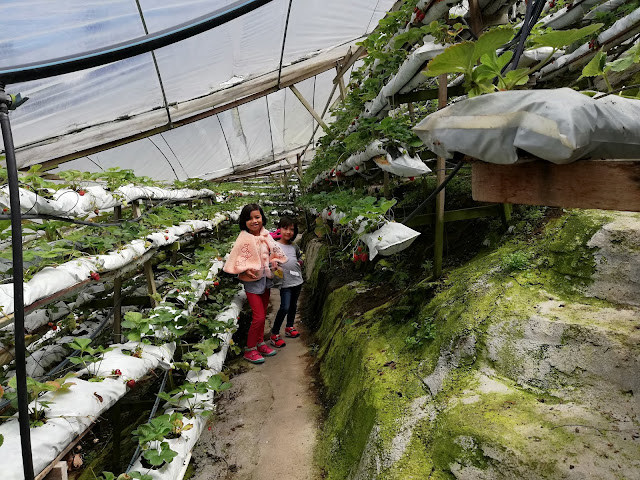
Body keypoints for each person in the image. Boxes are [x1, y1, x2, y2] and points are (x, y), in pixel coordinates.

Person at [223, 204, 287, 364]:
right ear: (244, 222)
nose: (254, 221)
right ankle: (250, 348)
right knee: (258, 317)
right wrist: (244, 270)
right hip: (252, 283)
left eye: (257, 217)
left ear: (262, 218)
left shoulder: (266, 236)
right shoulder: (243, 239)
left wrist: (275, 262)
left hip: (265, 279)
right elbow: (237, 260)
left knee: (263, 314)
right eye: (249, 218)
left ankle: (260, 343)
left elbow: (275, 252)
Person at [269, 216, 303, 348]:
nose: (288, 232)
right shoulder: (275, 246)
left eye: (292, 229)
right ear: (279, 229)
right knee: (285, 307)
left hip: (297, 281)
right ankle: (274, 333)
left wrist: (300, 263)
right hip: (285, 283)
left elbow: (301, 256)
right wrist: (274, 266)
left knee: (293, 306)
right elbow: (270, 261)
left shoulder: (294, 246)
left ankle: (289, 327)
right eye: (285, 228)